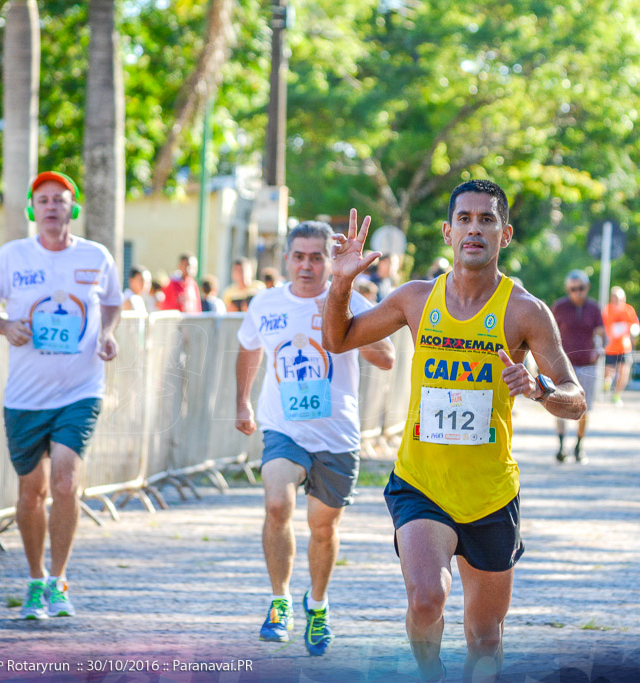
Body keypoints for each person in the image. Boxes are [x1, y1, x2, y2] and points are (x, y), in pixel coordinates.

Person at [321, 180, 585, 682]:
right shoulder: (416, 299)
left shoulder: (524, 311)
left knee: (484, 636)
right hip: (422, 482)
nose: (474, 229)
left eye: (487, 219)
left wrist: (539, 388)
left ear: (504, 234)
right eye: (464, 219)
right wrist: (341, 285)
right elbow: (338, 339)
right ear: (447, 231)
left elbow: (576, 401)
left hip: (489, 493)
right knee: (427, 599)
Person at [0, 171, 122, 620]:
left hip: (81, 388)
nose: (52, 206)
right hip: (26, 396)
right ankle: (35, 581)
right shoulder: (12, 257)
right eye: (44, 200)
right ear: (33, 209)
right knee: (31, 491)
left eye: (61, 199)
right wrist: (6, 326)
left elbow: (111, 301)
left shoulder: (96, 256)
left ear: (73, 208)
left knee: (66, 482)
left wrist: (107, 332)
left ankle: (59, 580)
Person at [235, 221, 394, 651]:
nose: (307, 266)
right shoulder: (265, 304)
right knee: (276, 503)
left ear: (331, 260)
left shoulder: (349, 301)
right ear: (286, 258)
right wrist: (242, 402)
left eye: (317, 257)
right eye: (299, 256)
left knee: (322, 529)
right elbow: (249, 346)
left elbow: (387, 359)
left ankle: (317, 605)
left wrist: (341, 318)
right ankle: (279, 600)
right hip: (283, 427)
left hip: (337, 435)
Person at [551, 269, 605, 463]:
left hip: (587, 365)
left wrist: (598, 348)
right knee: (560, 405)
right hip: (564, 365)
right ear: (568, 289)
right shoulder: (560, 307)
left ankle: (579, 446)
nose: (577, 293)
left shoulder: (594, 308)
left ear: (587, 287)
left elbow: (600, 332)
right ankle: (561, 446)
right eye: (573, 289)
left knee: (584, 407)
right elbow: (550, 333)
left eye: (581, 288)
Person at [602, 286, 640, 407]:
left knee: (624, 372)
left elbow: (635, 325)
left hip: (625, 347)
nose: (617, 300)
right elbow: (603, 327)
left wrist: (634, 331)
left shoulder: (629, 310)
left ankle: (617, 395)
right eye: (615, 298)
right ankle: (607, 383)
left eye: (619, 298)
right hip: (610, 347)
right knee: (609, 372)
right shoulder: (607, 310)